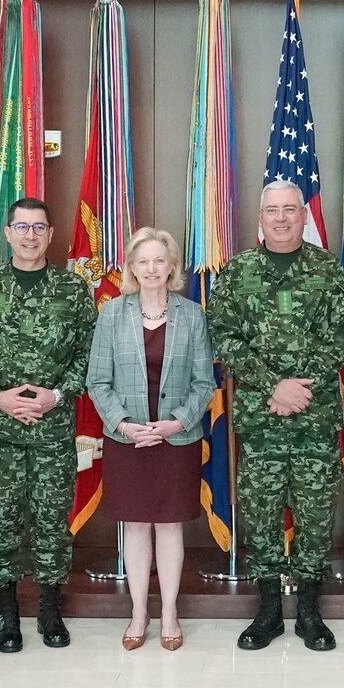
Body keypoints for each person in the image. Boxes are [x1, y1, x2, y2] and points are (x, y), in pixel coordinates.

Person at [208, 179, 344, 652]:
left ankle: (311, 612)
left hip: (313, 417)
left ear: (303, 216)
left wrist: (299, 385)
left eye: (289, 210)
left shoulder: (327, 270)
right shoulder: (238, 272)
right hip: (261, 418)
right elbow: (223, 336)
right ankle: (270, 610)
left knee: (317, 515)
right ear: (260, 217)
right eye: (272, 210)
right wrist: (272, 385)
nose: (280, 218)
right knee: (261, 513)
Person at [0, 199, 96, 652]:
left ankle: (49, 608)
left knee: (50, 522)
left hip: (53, 427)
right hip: (0, 428)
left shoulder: (73, 289)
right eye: (21, 226)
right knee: (0, 520)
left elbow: (88, 353)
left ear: (51, 233)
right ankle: (5, 611)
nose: (29, 235)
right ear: (6, 233)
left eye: (38, 227)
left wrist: (56, 395)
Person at [85, 228, 216, 651]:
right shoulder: (111, 314)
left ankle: (170, 612)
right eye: (144, 261)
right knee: (136, 526)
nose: (152, 268)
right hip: (128, 441)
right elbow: (98, 381)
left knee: (170, 526)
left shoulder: (193, 315)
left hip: (175, 441)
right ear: (132, 268)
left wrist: (175, 424)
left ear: (172, 266)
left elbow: (204, 382)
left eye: (160, 260)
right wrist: (124, 425)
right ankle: (139, 611)